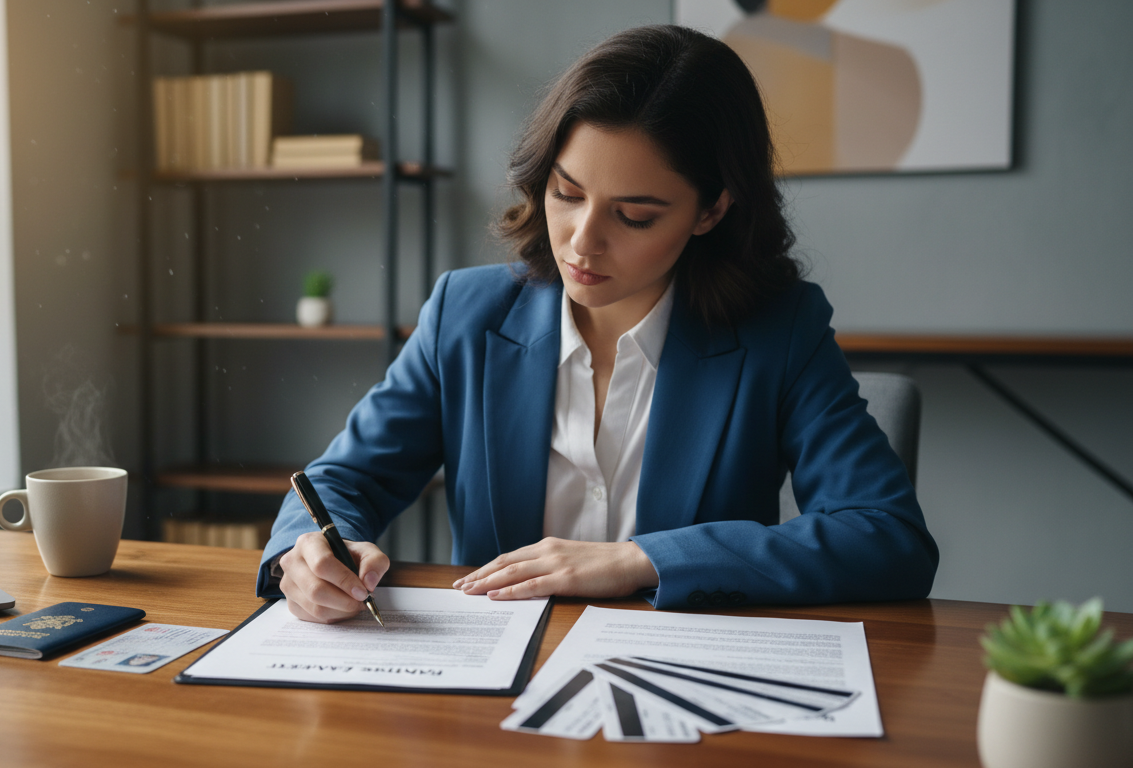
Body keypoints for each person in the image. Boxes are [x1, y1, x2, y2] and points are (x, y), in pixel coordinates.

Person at [256, 25, 938, 623]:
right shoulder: (465, 314)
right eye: (567, 193)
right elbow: (343, 482)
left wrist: (641, 559)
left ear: (712, 210)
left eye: (634, 215)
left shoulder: (778, 331)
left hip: (685, 685)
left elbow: (885, 537)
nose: (582, 241)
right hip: (497, 681)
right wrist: (308, 554)